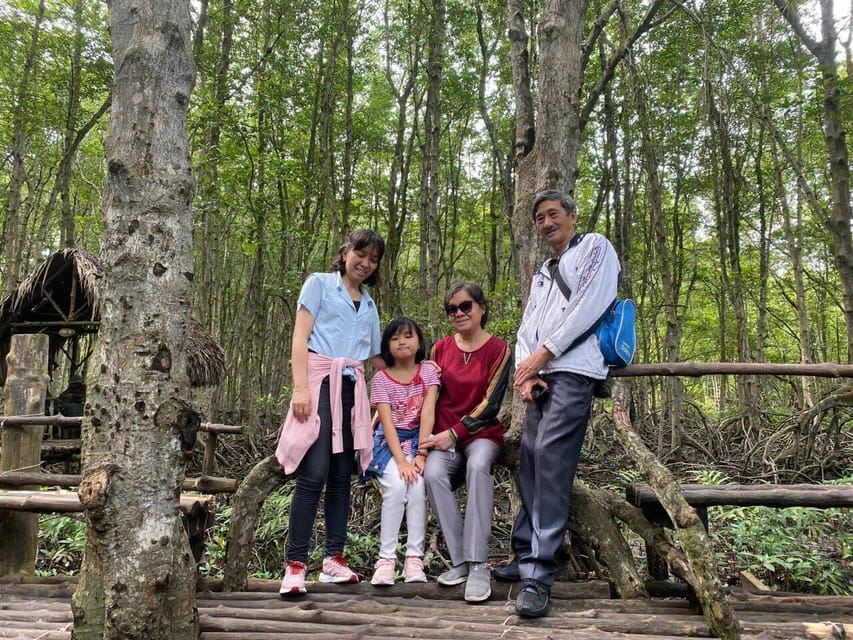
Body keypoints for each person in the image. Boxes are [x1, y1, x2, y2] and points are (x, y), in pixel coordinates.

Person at [499, 190, 619, 618]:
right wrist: (526, 371)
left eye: (553, 214)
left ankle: (540, 574)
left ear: (572, 215)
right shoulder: (544, 272)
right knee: (530, 456)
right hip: (541, 375)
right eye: (539, 218)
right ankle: (525, 553)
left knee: (551, 456)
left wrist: (544, 355)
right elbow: (527, 326)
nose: (547, 223)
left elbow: (588, 306)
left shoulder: (595, 248)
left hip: (575, 371)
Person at [275, 229, 386, 596]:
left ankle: (333, 559)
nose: (365, 263)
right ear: (346, 252)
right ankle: (295, 564)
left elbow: (375, 358)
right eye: (361, 254)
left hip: (353, 387)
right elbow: (299, 337)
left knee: (342, 475)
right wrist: (300, 387)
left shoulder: (369, 305)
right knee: (315, 472)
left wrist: (416, 374)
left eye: (373, 259)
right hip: (321, 382)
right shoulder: (319, 284)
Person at [421, 283, 513, 603]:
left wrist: (455, 433)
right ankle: (460, 561)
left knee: (477, 465)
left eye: (465, 306)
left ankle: (478, 564)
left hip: (481, 434)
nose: (458, 313)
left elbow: (491, 405)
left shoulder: (499, 349)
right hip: (443, 437)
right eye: (451, 309)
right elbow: (427, 395)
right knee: (432, 474)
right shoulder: (439, 349)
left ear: (481, 308)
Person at [366, 317, 440, 586]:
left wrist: (421, 454)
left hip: (418, 441)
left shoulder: (428, 373)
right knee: (397, 486)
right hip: (389, 444)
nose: (402, 342)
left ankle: (414, 559)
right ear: (387, 346)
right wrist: (401, 462)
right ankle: (386, 559)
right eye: (395, 338)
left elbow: (428, 413)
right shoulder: (381, 379)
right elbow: (385, 425)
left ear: (419, 341)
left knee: (418, 486)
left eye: (408, 336)